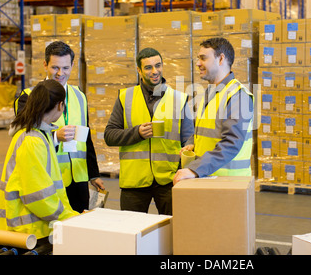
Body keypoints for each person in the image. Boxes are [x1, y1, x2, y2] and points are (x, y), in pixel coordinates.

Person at [14, 41, 104, 213]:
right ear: (45, 64)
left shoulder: (79, 96)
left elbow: (86, 138)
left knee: (78, 229)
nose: (60, 73)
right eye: (55, 67)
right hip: (48, 178)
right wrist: (56, 137)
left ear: (72, 66)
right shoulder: (28, 97)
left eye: (65, 68)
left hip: (78, 179)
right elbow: (23, 139)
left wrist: (93, 173)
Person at [104, 47, 194, 215]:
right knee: (132, 234)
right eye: (148, 67)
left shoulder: (179, 99)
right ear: (139, 70)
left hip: (168, 179)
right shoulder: (125, 97)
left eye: (158, 65)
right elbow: (109, 136)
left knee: (175, 231)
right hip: (134, 181)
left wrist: (189, 146)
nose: (155, 71)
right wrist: (137, 133)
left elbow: (189, 137)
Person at [0, 79, 79, 239]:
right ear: (60, 105)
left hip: (36, 227)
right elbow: (38, 195)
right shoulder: (32, 140)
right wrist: (68, 218)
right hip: (29, 231)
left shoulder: (41, 134)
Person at [173, 37, 254, 185]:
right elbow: (205, 131)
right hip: (209, 177)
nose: (198, 63)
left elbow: (231, 143)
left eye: (203, 58)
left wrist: (194, 169)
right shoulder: (210, 93)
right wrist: (192, 143)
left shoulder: (238, 96)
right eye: (198, 58)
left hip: (229, 184)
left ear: (221, 59)